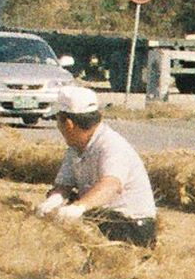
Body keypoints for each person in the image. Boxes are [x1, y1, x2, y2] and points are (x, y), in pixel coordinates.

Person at [37, 84, 157, 244]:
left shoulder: (111, 145)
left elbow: (111, 185)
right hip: (102, 217)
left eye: (58, 120)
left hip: (131, 226)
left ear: (68, 124)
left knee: (78, 216)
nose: (58, 126)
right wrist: (53, 201)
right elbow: (64, 184)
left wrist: (78, 207)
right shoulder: (75, 147)